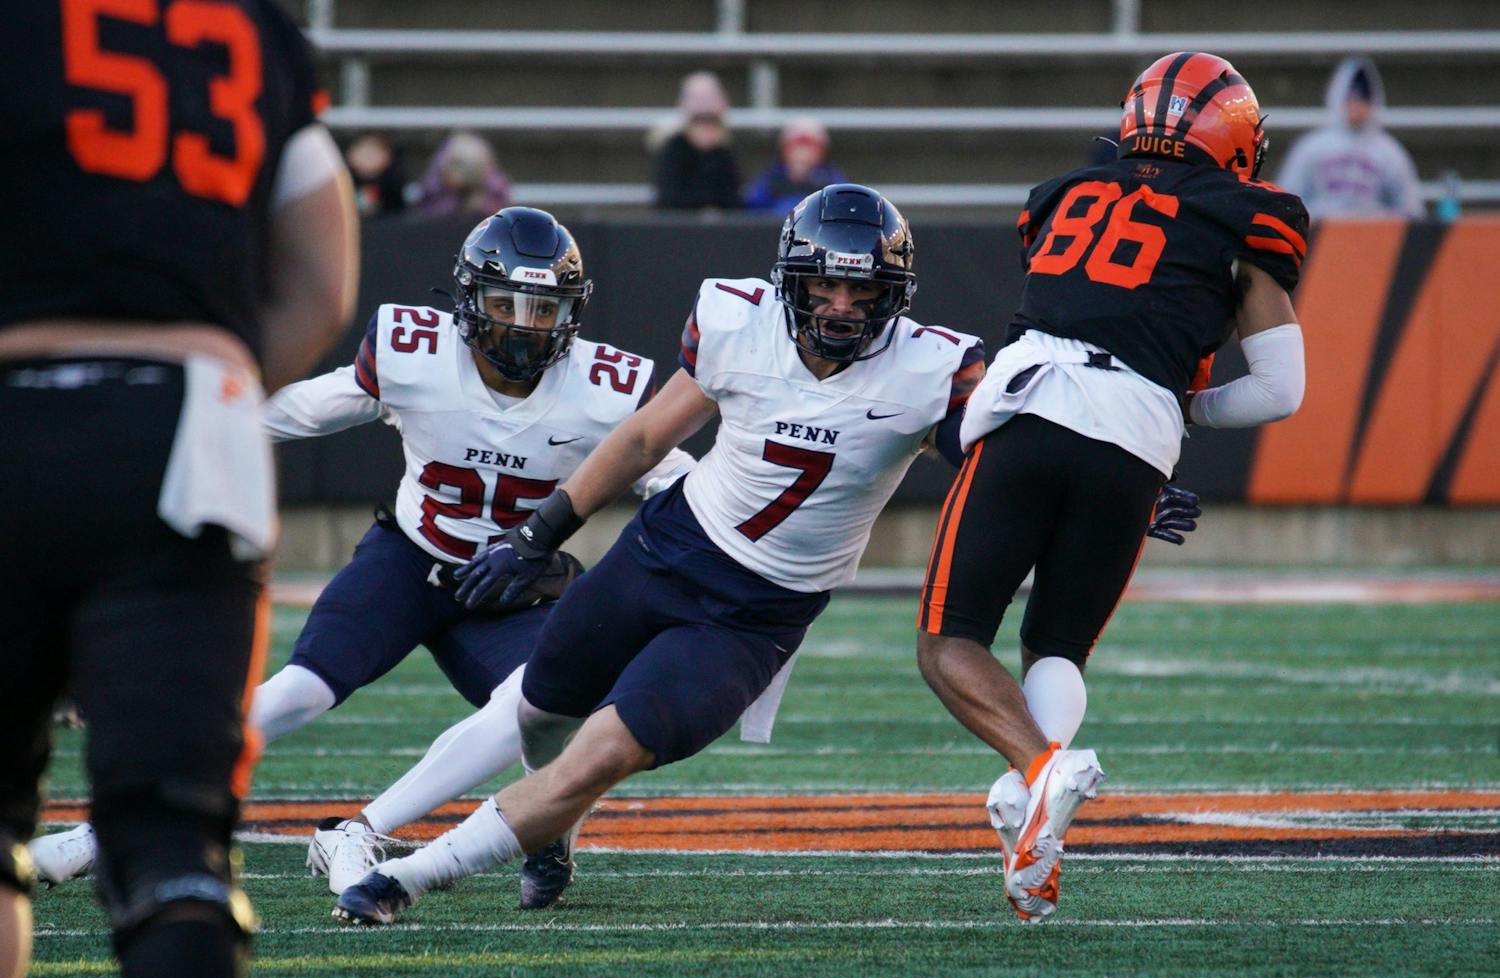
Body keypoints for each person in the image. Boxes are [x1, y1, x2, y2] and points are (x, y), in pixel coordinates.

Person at [330, 182, 1194, 926]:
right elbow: (641, 439)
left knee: (603, 751)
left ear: (895, 295)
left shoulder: (933, 369)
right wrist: (541, 529)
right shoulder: (734, 319)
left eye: (863, 295)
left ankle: (405, 876)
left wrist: (1118, 481)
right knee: (541, 714)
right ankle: (548, 841)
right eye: (825, 288)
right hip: (663, 549)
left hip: (756, 615)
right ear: (792, 280)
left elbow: (1013, 456)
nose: (842, 310)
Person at [27, 208, 695, 912]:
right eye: (505, 304)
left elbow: (674, 476)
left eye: (543, 308)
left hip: (513, 589)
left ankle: (391, 832)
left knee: (532, 712)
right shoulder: (419, 356)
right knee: (297, 692)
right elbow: (298, 411)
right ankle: (114, 827)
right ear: (468, 301)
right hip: (408, 563)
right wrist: (176, 426)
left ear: (573, 314)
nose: (523, 326)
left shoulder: (603, 388)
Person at [0, 1, 359, 978]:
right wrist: (202, 390)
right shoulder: (250, 31)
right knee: (174, 844)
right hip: (191, 426)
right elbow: (323, 283)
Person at [915, 51, 1307, 924]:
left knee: (949, 642)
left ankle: (1041, 771)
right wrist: (1172, 406)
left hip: (1031, 401)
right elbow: (1282, 390)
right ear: (1236, 138)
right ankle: (1030, 815)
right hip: (1137, 435)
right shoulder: (1250, 218)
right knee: (1057, 645)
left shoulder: (1065, 192)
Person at [1275, 56, 1423, 219]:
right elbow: (1286, 201)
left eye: (1363, 100)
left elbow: (1410, 210)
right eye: (1352, 99)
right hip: (1319, 239)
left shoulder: (1389, 152)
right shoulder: (1311, 147)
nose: (1357, 107)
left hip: (1373, 239)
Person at [652, 71, 742, 211]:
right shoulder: (673, 151)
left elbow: (733, 201)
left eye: (711, 122)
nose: (706, 129)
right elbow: (668, 200)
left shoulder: (724, 155)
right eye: (700, 122)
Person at [743, 117, 849, 216]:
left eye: (810, 147)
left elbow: (844, 207)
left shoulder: (832, 181)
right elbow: (753, 209)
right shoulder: (771, 179)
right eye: (796, 147)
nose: (802, 154)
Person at [414, 131, 512, 218]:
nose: (464, 174)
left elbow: (499, 203)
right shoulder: (438, 178)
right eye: (457, 165)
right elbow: (431, 204)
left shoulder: (492, 184)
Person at [346, 132, 409, 216]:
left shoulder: (392, 182)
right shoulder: (345, 180)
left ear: (387, 157)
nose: (367, 159)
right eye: (364, 153)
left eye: (372, 154)